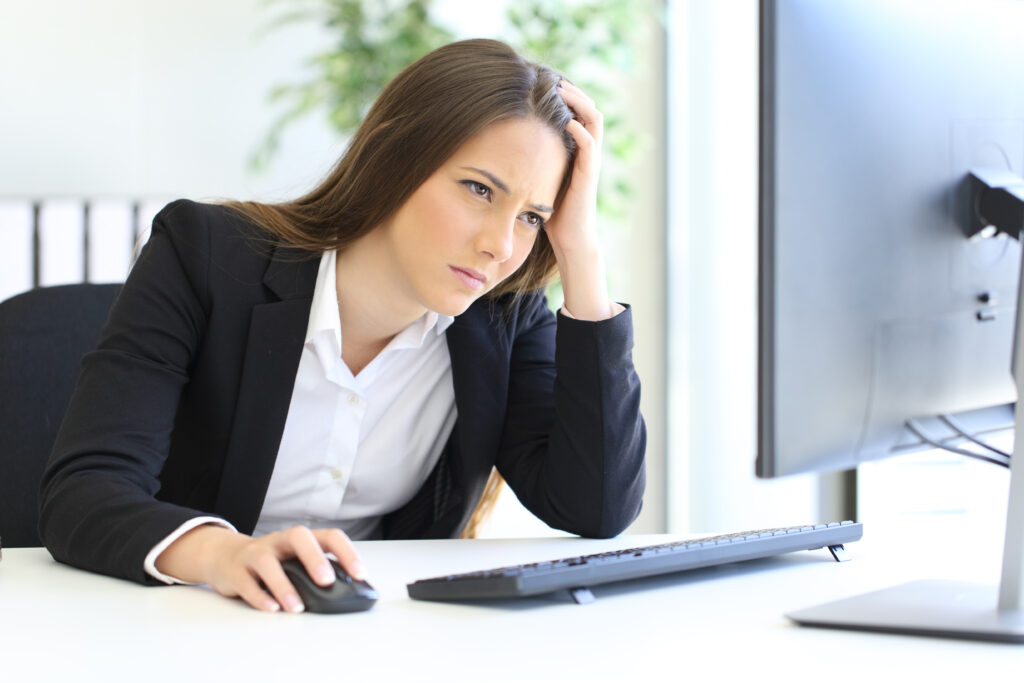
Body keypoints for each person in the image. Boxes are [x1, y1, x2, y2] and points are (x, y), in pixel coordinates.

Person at [39, 39, 645, 614]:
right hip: (175, 619)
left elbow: (595, 507)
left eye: (533, 217)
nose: (499, 245)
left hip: (370, 635)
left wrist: (582, 256)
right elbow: (85, 491)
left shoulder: (504, 317)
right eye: (479, 189)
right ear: (392, 157)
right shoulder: (205, 255)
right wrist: (225, 554)